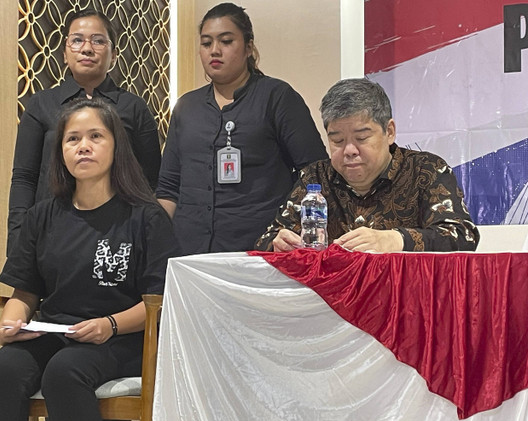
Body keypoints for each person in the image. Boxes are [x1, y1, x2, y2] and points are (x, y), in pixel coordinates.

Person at [0, 98, 179, 421]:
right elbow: (25, 292)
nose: (83, 146)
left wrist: (109, 325)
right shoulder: (42, 215)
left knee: (65, 371)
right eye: (72, 139)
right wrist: (9, 325)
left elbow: (159, 301)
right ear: (61, 151)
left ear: (117, 147)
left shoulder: (146, 217)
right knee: (2, 370)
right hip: (55, 332)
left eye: (95, 137)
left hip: (124, 338)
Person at [156, 2, 328, 255]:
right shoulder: (186, 106)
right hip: (189, 252)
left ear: (249, 47)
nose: (214, 51)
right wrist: (155, 242)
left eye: (226, 41)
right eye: (206, 43)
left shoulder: (277, 97)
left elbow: (315, 173)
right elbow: (169, 187)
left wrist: (287, 230)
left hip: (259, 249)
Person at [255, 78, 480, 253]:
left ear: (389, 131)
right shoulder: (315, 178)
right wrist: (278, 243)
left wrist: (396, 239)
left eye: (362, 138)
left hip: (404, 302)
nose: (350, 150)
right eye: (337, 140)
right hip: (329, 304)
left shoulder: (426, 170)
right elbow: (266, 239)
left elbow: (462, 236)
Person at [7, 9, 161, 254]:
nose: (87, 48)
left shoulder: (134, 108)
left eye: (98, 41)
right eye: (77, 40)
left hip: (119, 235)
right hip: (52, 236)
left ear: (114, 56)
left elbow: (152, 181)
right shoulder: (41, 105)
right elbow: (24, 179)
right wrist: (17, 241)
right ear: (65, 54)